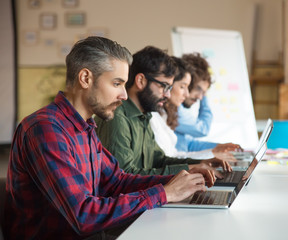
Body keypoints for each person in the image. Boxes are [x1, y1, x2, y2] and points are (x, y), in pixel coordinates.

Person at [4, 37, 216, 240]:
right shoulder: (46, 129)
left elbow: (116, 181)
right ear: (86, 78)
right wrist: (163, 193)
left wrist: (181, 178)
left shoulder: (84, 126)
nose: (124, 95)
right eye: (117, 84)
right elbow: (84, 215)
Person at [95, 46, 232, 177]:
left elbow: (159, 160)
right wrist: (189, 169)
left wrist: (199, 163)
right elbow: (124, 176)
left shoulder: (145, 115)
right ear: (141, 81)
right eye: (163, 86)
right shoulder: (117, 116)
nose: (167, 95)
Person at [150, 56, 236, 162]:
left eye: (188, 87)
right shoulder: (158, 114)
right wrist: (212, 154)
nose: (187, 94)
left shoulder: (167, 113)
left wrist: (216, 150)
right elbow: (203, 129)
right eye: (184, 86)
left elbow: (187, 144)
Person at [175, 53, 242, 153]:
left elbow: (188, 144)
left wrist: (221, 147)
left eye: (204, 93)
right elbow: (203, 129)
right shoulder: (174, 111)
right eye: (198, 89)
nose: (200, 97)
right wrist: (204, 98)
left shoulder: (177, 109)